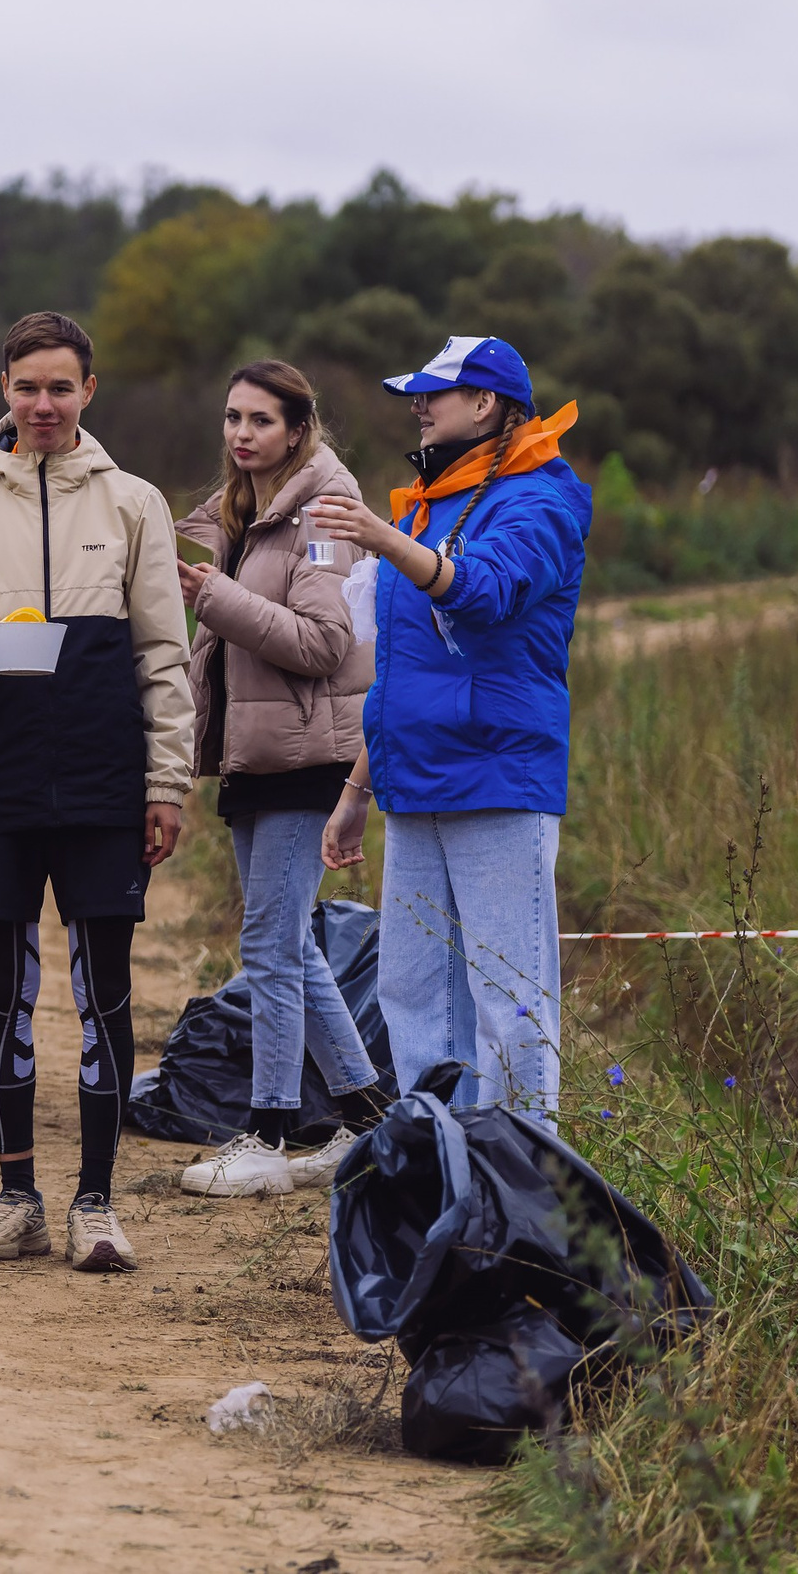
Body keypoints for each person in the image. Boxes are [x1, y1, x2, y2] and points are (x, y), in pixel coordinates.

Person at [0, 311, 193, 1272]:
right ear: (3, 389)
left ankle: (95, 1204)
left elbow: (162, 654)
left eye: (61, 387)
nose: (44, 405)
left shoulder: (135, 504)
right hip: (1, 774)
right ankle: (16, 1192)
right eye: (28, 387)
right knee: (6, 990)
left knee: (103, 990)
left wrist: (167, 782)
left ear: (89, 392)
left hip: (107, 779)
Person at [308, 337, 588, 1123]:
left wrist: (381, 537)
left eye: (435, 393)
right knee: (413, 990)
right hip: (415, 784)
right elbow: (402, 673)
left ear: (487, 404)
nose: (418, 406)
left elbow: (488, 592)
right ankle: (438, 1171)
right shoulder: (434, 502)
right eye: (415, 393)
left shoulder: (540, 499)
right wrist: (356, 789)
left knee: (509, 999)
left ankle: (524, 1186)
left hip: (497, 781)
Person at [172, 361, 390, 1197]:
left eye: (260, 420)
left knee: (268, 940)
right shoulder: (246, 511)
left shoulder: (324, 513)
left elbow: (324, 644)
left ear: (299, 430)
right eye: (232, 417)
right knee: (289, 944)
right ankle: (367, 1118)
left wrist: (217, 598)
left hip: (311, 756)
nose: (240, 434)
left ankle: (265, 1133)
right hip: (256, 754)